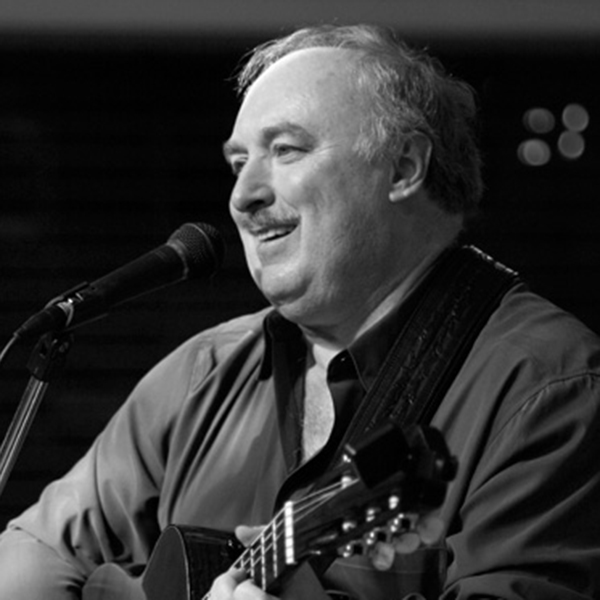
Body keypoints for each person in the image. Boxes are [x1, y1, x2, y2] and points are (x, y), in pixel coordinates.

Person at [1, 23, 600, 600]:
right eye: (239, 164)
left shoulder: (548, 387)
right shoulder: (199, 375)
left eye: (285, 150)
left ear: (404, 167)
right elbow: (36, 551)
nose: (243, 196)